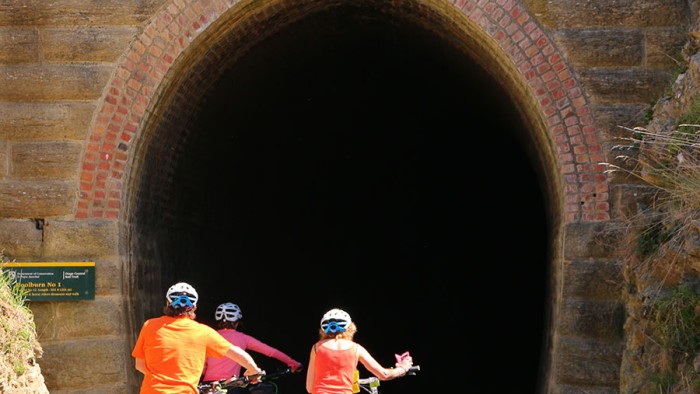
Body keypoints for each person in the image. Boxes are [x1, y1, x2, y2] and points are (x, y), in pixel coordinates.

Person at [131, 282, 265, 393]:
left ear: (167, 304)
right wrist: (253, 370)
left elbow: (139, 365)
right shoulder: (203, 332)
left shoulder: (149, 325)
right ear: (194, 307)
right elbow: (237, 353)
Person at [201, 302, 304, 393]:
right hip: (230, 386)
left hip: (208, 386)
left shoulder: (211, 336)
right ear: (236, 323)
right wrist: (293, 363)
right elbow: (270, 351)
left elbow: (203, 364)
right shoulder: (243, 338)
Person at [305, 308, 413, 394]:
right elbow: (384, 374)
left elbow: (309, 387)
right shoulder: (356, 348)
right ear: (350, 328)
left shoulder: (317, 348)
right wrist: (403, 368)